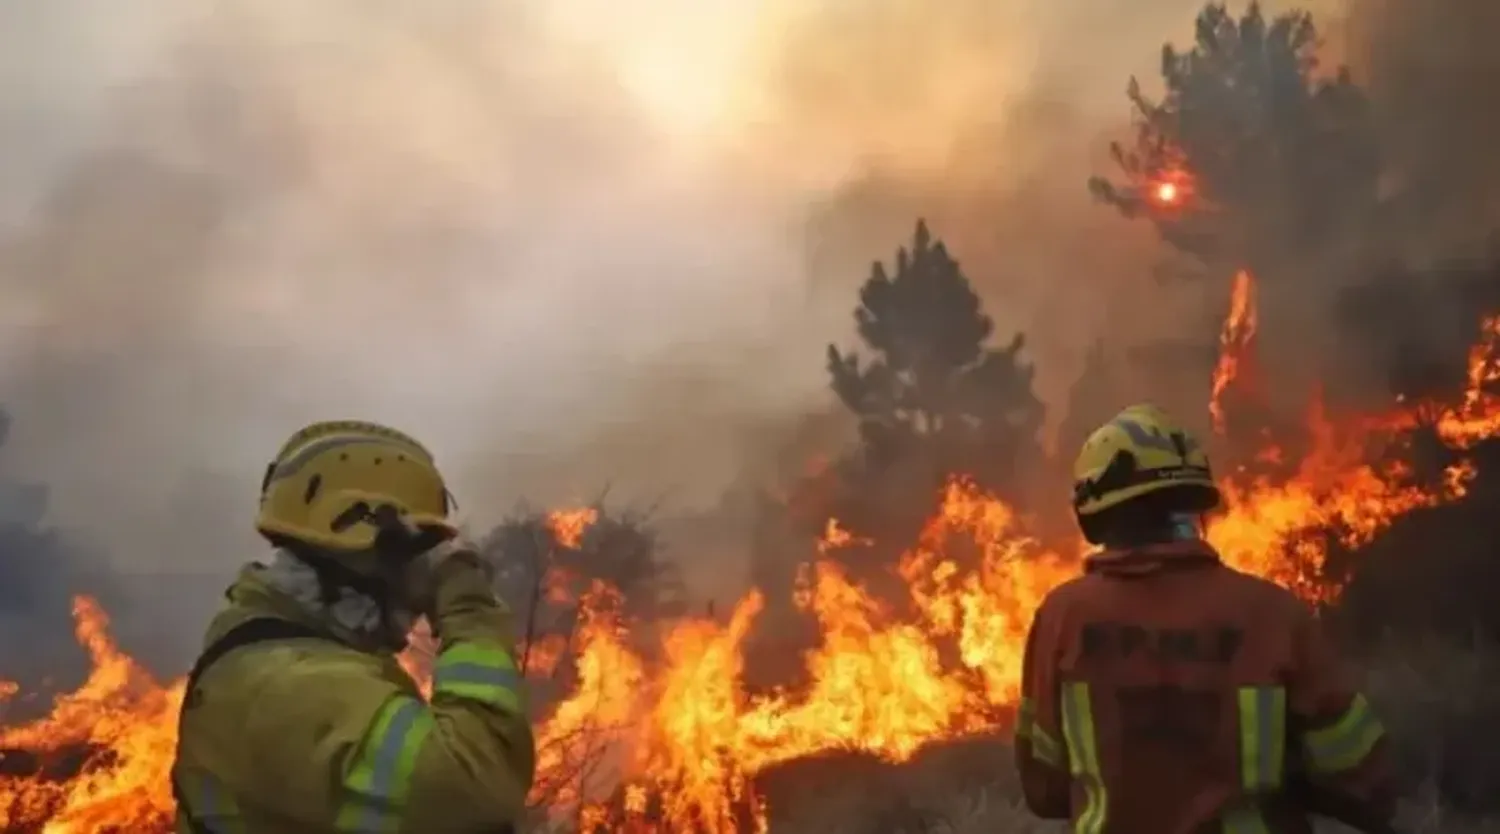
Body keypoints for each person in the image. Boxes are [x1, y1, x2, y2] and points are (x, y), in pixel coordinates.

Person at [1015, 404, 1397, 834]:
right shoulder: (1273, 613)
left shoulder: (1062, 617)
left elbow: (1044, 788)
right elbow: (1364, 781)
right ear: (1194, 504)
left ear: (1095, 513)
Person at [171, 420, 535, 834]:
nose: (421, 583)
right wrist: (468, 609)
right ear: (366, 544)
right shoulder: (287, 683)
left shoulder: (302, 657)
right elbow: (477, 786)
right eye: (415, 553)